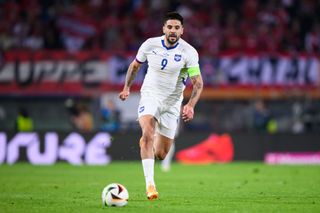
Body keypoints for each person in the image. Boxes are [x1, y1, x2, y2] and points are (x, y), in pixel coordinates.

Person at [119, 12, 203, 200]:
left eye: (176, 28)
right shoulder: (150, 44)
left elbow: (198, 83)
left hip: (172, 104)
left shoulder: (189, 52)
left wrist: (190, 105)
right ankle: (150, 185)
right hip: (150, 95)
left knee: (161, 154)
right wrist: (126, 88)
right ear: (163, 28)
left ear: (182, 30)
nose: (173, 31)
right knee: (147, 132)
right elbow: (134, 66)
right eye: (170, 27)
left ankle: (152, 139)